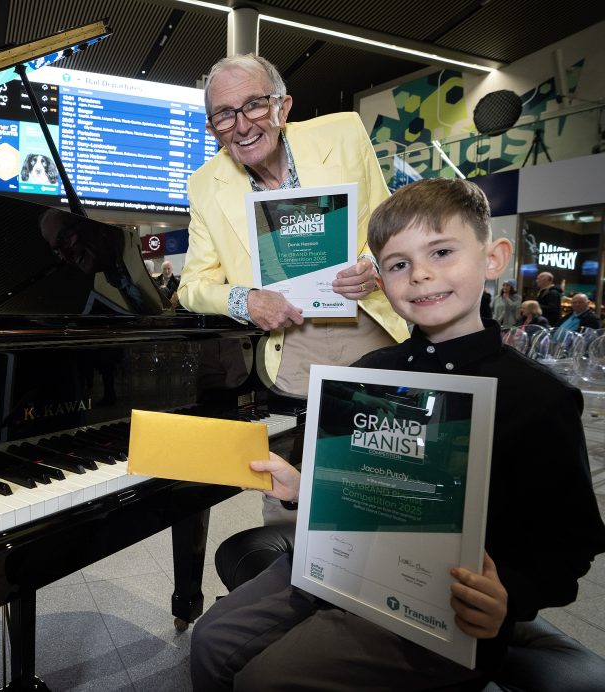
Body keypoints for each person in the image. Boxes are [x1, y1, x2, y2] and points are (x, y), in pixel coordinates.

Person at [190, 178, 605, 691]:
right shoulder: (368, 371)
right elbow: (363, 491)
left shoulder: (539, 398)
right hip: (338, 568)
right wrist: (306, 489)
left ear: (493, 258)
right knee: (209, 640)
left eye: (442, 251)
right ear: (382, 282)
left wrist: (510, 597)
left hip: (441, 609)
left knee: (269, 679)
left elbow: (571, 547)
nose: (422, 274)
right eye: (399, 264)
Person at [177, 54, 408, 401]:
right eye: (225, 114)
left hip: (371, 326)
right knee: (299, 451)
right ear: (212, 130)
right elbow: (192, 288)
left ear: (282, 109)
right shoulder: (203, 185)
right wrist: (247, 300)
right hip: (289, 352)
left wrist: (371, 267)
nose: (242, 126)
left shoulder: (344, 134)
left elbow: (391, 229)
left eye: (254, 105)